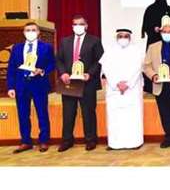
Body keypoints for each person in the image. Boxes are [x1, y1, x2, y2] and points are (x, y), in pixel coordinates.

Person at [56, 15, 104, 152]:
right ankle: (67, 140)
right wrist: (63, 73)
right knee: (68, 112)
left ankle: (90, 140)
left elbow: (99, 60)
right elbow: (59, 60)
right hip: (69, 82)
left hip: (87, 82)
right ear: (72, 26)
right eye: (75, 24)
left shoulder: (94, 41)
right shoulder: (65, 41)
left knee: (88, 112)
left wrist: (90, 74)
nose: (78, 26)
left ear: (86, 25)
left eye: (81, 24)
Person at [6, 22, 55, 153]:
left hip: (39, 85)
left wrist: (42, 70)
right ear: (24, 32)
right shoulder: (16, 48)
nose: (30, 32)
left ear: (39, 32)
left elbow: (52, 64)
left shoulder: (47, 47)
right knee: (22, 115)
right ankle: (25, 141)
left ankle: (44, 141)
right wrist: (11, 87)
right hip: (21, 86)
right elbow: (11, 68)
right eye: (28, 30)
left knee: (42, 113)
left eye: (33, 30)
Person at [100, 29, 144, 150]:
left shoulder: (137, 51)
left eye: (125, 36)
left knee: (132, 116)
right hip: (114, 89)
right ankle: (115, 143)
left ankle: (134, 142)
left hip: (132, 89)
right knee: (115, 117)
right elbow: (106, 69)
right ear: (116, 37)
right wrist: (116, 83)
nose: (123, 38)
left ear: (130, 38)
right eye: (120, 36)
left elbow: (138, 68)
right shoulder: (109, 51)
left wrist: (128, 84)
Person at [141, 0, 170, 93]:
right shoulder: (150, 9)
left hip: (168, 39)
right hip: (153, 39)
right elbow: (146, 24)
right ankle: (150, 86)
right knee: (152, 61)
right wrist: (154, 29)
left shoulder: (169, 9)